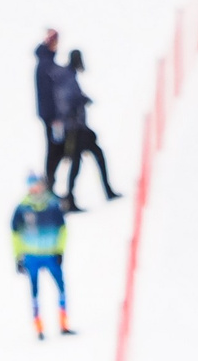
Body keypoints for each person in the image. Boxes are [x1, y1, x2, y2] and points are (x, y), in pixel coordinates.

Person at [57, 49, 120, 211]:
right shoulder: (67, 77)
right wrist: (77, 106)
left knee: (85, 160)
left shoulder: (69, 76)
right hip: (74, 129)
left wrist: (83, 99)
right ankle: (71, 198)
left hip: (77, 127)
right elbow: (65, 100)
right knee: (80, 162)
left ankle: (103, 191)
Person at [12, 174, 72, 340]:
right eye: (32, 186)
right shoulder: (23, 208)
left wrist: (60, 250)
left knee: (60, 288)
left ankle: (64, 324)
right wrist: (18, 256)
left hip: (50, 254)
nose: (35, 189)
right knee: (35, 293)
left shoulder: (52, 205)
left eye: (37, 185)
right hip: (32, 256)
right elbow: (15, 234)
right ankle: (38, 328)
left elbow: (62, 230)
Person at [34, 29, 75, 194]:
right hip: (52, 117)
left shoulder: (48, 63)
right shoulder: (46, 65)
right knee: (54, 148)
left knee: (56, 148)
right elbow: (48, 94)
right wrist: (55, 117)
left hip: (52, 116)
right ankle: (49, 183)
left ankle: (50, 182)